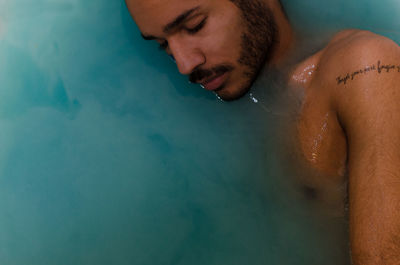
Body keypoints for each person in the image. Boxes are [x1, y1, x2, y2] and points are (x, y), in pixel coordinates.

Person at [125, 0, 400, 264]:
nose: (185, 64)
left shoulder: (363, 67)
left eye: (196, 25)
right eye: (164, 45)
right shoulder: (226, 115)